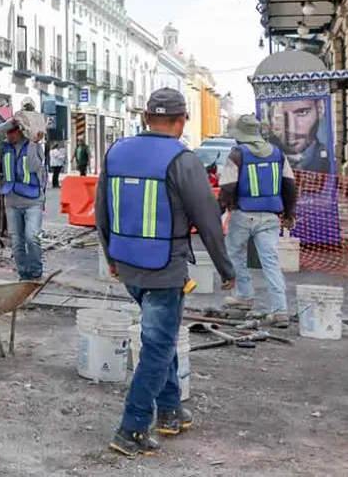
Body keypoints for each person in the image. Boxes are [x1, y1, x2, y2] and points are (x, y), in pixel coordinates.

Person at [95, 88, 238, 457]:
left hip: (127, 264)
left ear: (145, 118)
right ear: (181, 121)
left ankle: (170, 411)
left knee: (162, 335)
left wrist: (110, 255)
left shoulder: (116, 152)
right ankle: (132, 429)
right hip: (164, 268)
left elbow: (102, 210)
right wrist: (226, 268)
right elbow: (208, 220)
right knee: (158, 348)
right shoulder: (183, 159)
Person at [218, 114, 298, 328]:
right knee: (270, 261)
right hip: (271, 216)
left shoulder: (237, 154)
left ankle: (244, 295)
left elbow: (228, 187)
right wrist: (289, 214)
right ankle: (280, 310)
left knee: (235, 252)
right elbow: (289, 185)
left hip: (243, 214)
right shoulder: (277, 153)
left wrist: (217, 211)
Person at [0, 111, 47, 281]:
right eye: (8, 132)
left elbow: (33, 165)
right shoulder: (4, 147)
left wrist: (33, 142)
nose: (8, 135)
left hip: (32, 201)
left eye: (12, 131)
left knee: (32, 237)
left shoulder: (34, 146)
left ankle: (36, 271)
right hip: (11, 200)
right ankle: (24, 274)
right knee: (16, 241)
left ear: (20, 132)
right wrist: (11, 121)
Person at [266, 99, 328, 172]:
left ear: (320, 108)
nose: (291, 129)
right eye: (280, 117)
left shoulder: (327, 159)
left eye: (302, 112)